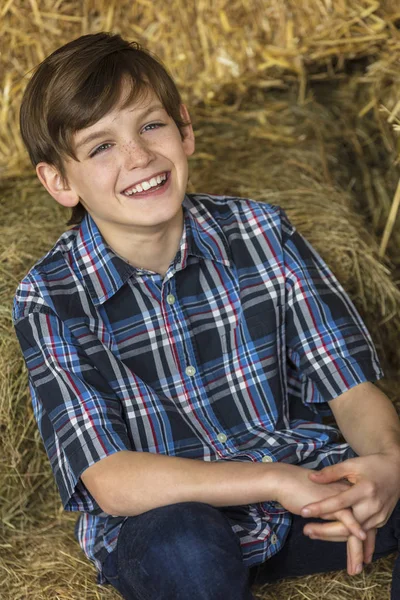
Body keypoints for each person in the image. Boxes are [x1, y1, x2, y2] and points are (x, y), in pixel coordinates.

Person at [13, 32, 400, 600]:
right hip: (176, 522)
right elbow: (111, 478)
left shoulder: (262, 232)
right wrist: (275, 480)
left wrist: (387, 464)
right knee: (183, 547)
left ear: (185, 130)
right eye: (101, 147)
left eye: (150, 126)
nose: (138, 157)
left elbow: (349, 385)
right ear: (59, 183)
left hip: (312, 496)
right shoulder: (49, 296)